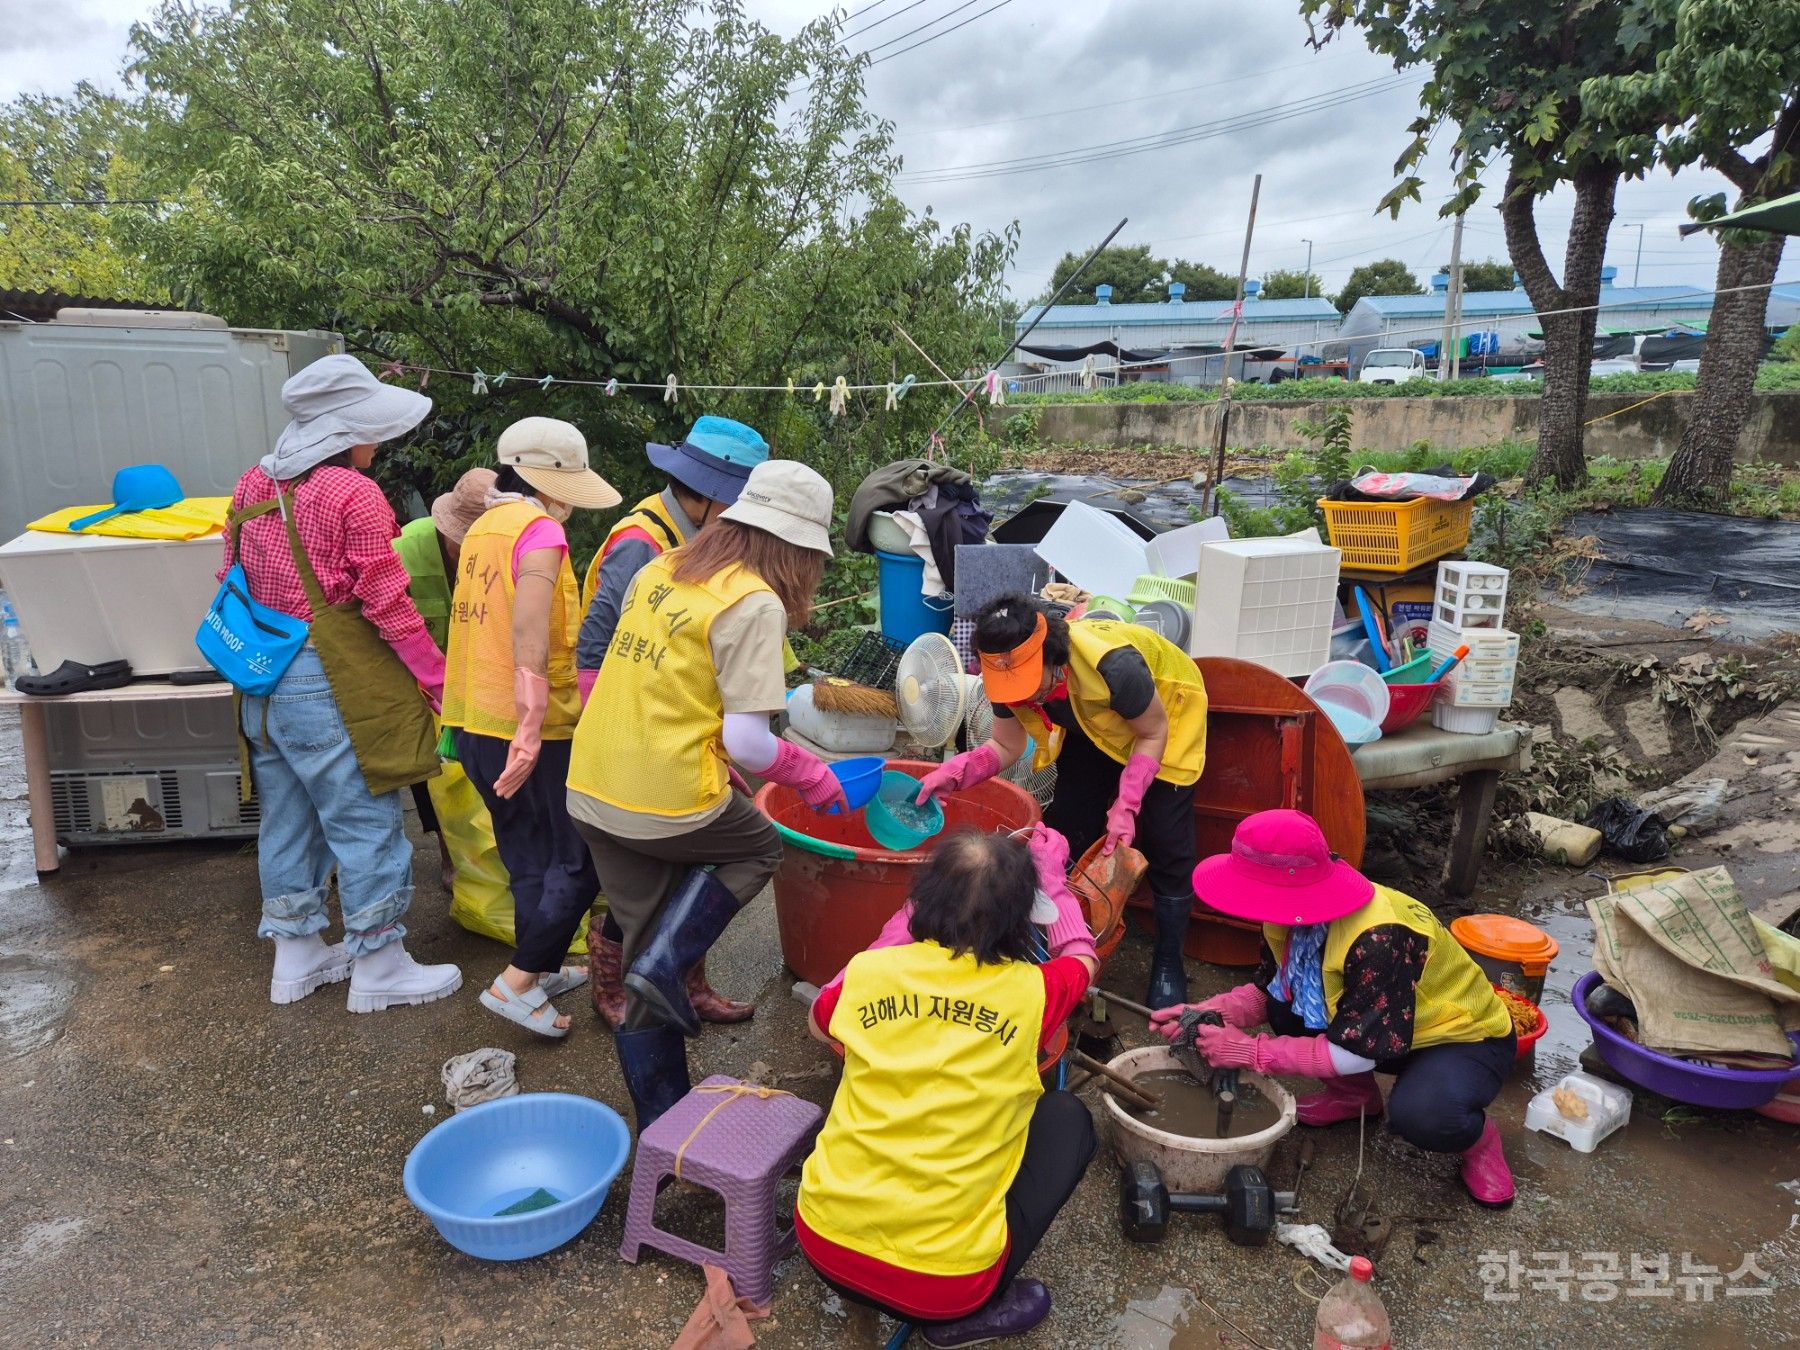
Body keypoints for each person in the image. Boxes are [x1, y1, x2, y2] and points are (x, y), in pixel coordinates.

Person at [567, 460, 847, 1128]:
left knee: (640, 955)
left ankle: (666, 1127)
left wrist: (717, 758)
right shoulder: (754, 601)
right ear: (798, 548)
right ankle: (668, 964)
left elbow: (667, 687)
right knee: (757, 845)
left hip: (593, 785)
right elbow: (753, 742)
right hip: (661, 797)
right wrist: (813, 774)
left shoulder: (665, 565)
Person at [220, 354, 460, 1012]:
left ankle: (295, 957)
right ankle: (380, 963)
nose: (377, 442)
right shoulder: (350, 493)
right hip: (326, 684)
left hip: (260, 682)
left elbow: (229, 579)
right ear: (349, 430)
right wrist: (438, 680)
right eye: (371, 429)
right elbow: (387, 602)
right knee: (364, 821)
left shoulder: (250, 486)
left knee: (289, 821)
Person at [796, 827, 1099, 1347]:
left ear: (923, 900)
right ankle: (960, 1323)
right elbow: (1084, 962)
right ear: (1019, 924)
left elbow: (819, 1025)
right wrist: (1057, 883)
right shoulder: (1035, 991)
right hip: (946, 1289)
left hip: (823, 1242)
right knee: (1067, 1118)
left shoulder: (870, 971)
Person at [1151, 809, 1518, 1207]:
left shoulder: (1380, 939)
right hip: (1380, 1027)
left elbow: (1356, 1055)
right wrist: (1207, 1012)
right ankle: (1355, 1099)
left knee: (1423, 1115)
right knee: (1284, 1010)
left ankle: (1479, 1142)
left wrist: (1248, 1051)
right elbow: (1269, 990)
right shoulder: (1286, 915)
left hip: (1459, 1039)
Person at [574, 415, 771, 1027]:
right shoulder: (644, 542)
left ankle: (688, 978)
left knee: (691, 863)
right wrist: (623, 738)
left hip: (673, 734)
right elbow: (594, 649)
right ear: (712, 496)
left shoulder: (693, 535)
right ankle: (614, 985)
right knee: (635, 879)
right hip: (626, 733)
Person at [918, 594, 1207, 1010]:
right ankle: (1060, 931)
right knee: (1068, 822)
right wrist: (956, 772)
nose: (1022, 695)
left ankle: (1168, 960)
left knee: (1166, 838)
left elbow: (1152, 732)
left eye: (1030, 682)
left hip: (1164, 718)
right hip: (1095, 724)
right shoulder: (1005, 672)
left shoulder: (1115, 667)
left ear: (1054, 657)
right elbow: (1005, 744)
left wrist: (1127, 804)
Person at [441, 417, 620, 1037]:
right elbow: (529, 631)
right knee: (582, 856)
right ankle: (516, 983)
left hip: (473, 720)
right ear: (551, 483)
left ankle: (538, 970)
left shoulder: (484, 525)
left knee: (527, 855)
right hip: (533, 730)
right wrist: (532, 725)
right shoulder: (540, 532)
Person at [394, 466, 498, 892]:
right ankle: (445, 847)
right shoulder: (404, 549)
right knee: (428, 766)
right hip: (413, 679)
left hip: (474, 673)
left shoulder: (502, 549)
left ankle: (486, 851)